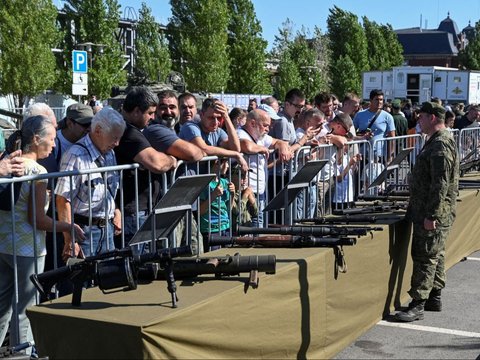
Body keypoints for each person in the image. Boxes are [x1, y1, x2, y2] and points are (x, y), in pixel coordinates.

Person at [0, 115, 84, 348]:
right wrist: (68, 226)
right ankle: (22, 354)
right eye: (52, 139)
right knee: (25, 308)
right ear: (36, 139)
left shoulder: (8, 162)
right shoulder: (37, 171)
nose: (55, 144)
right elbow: (37, 219)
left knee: (2, 304)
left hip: (4, 245)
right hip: (28, 249)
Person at [394, 102, 459, 322]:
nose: (418, 121)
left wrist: (431, 215)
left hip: (431, 212)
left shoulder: (440, 144)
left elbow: (440, 184)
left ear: (432, 118)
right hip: (430, 209)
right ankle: (434, 296)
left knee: (424, 256)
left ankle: (418, 303)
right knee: (436, 253)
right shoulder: (436, 140)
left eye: (421, 117)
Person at [55, 107, 125, 259]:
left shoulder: (110, 153)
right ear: (98, 130)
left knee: (107, 279)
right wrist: (70, 239)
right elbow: (62, 200)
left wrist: (116, 210)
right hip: (83, 232)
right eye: (114, 137)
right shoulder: (75, 155)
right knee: (81, 281)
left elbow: (109, 188)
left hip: (107, 230)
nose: (117, 143)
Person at [114, 86, 177, 244]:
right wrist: (171, 159)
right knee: (138, 261)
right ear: (136, 111)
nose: (153, 117)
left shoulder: (134, 129)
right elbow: (156, 163)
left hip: (140, 208)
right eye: (150, 113)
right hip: (133, 211)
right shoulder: (128, 132)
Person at [238, 108, 291, 227]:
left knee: (259, 225)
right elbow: (246, 146)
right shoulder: (241, 133)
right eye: (265, 125)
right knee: (248, 227)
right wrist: (262, 149)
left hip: (260, 191)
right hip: (246, 192)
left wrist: (282, 146)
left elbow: (278, 141)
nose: (268, 129)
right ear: (252, 123)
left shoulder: (261, 137)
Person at [179, 98, 248, 172]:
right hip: (185, 178)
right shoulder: (190, 127)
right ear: (201, 115)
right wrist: (235, 155)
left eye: (219, 118)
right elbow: (203, 148)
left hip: (203, 179)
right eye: (211, 118)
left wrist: (226, 117)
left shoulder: (218, 131)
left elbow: (235, 148)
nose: (216, 122)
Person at [199, 159, 235, 252]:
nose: (228, 166)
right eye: (226, 162)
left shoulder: (224, 182)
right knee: (213, 261)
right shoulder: (204, 184)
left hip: (225, 227)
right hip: (211, 230)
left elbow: (228, 209)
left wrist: (232, 194)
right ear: (216, 162)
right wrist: (213, 195)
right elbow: (200, 211)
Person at [353, 89, 396, 162]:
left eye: (381, 100)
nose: (379, 102)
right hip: (362, 155)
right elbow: (352, 131)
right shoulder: (359, 115)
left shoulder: (388, 117)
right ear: (371, 100)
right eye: (377, 99)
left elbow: (392, 137)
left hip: (380, 156)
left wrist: (389, 157)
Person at [230, 165, 258, 230]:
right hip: (235, 231)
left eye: (246, 175)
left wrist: (252, 201)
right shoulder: (230, 193)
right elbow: (237, 211)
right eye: (241, 175)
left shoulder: (247, 191)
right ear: (232, 176)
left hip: (247, 228)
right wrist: (245, 196)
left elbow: (256, 213)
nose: (245, 179)